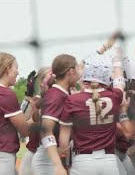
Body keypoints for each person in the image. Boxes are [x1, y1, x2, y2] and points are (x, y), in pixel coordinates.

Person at [59, 47, 125, 175]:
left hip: (83, 161)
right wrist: (117, 60)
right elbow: (119, 81)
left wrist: (65, 165)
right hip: (109, 161)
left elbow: (64, 141)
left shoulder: (73, 100)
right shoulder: (114, 96)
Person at [31, 54, 80, 175]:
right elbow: (46, 130)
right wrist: (58, 165)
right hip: (48, 160)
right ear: (71, 71)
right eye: (77, 70)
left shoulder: (63, 92)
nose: (79, 75)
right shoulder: (56, 95)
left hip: (56, 156)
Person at [0, 52, 30, 175]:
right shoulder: (5, 93)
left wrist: (29, 100)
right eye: (16, 67)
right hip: (3, 156)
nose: (18, 72)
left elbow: (16, 119)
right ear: (7, 69)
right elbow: (24, 130)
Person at [20, 67, 53, 175]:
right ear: (41, 80)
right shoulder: (35, 99)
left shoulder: (60, 96)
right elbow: (23, 118)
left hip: (52, 153)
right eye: (51, 74)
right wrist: (28, 95)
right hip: (33, 150)